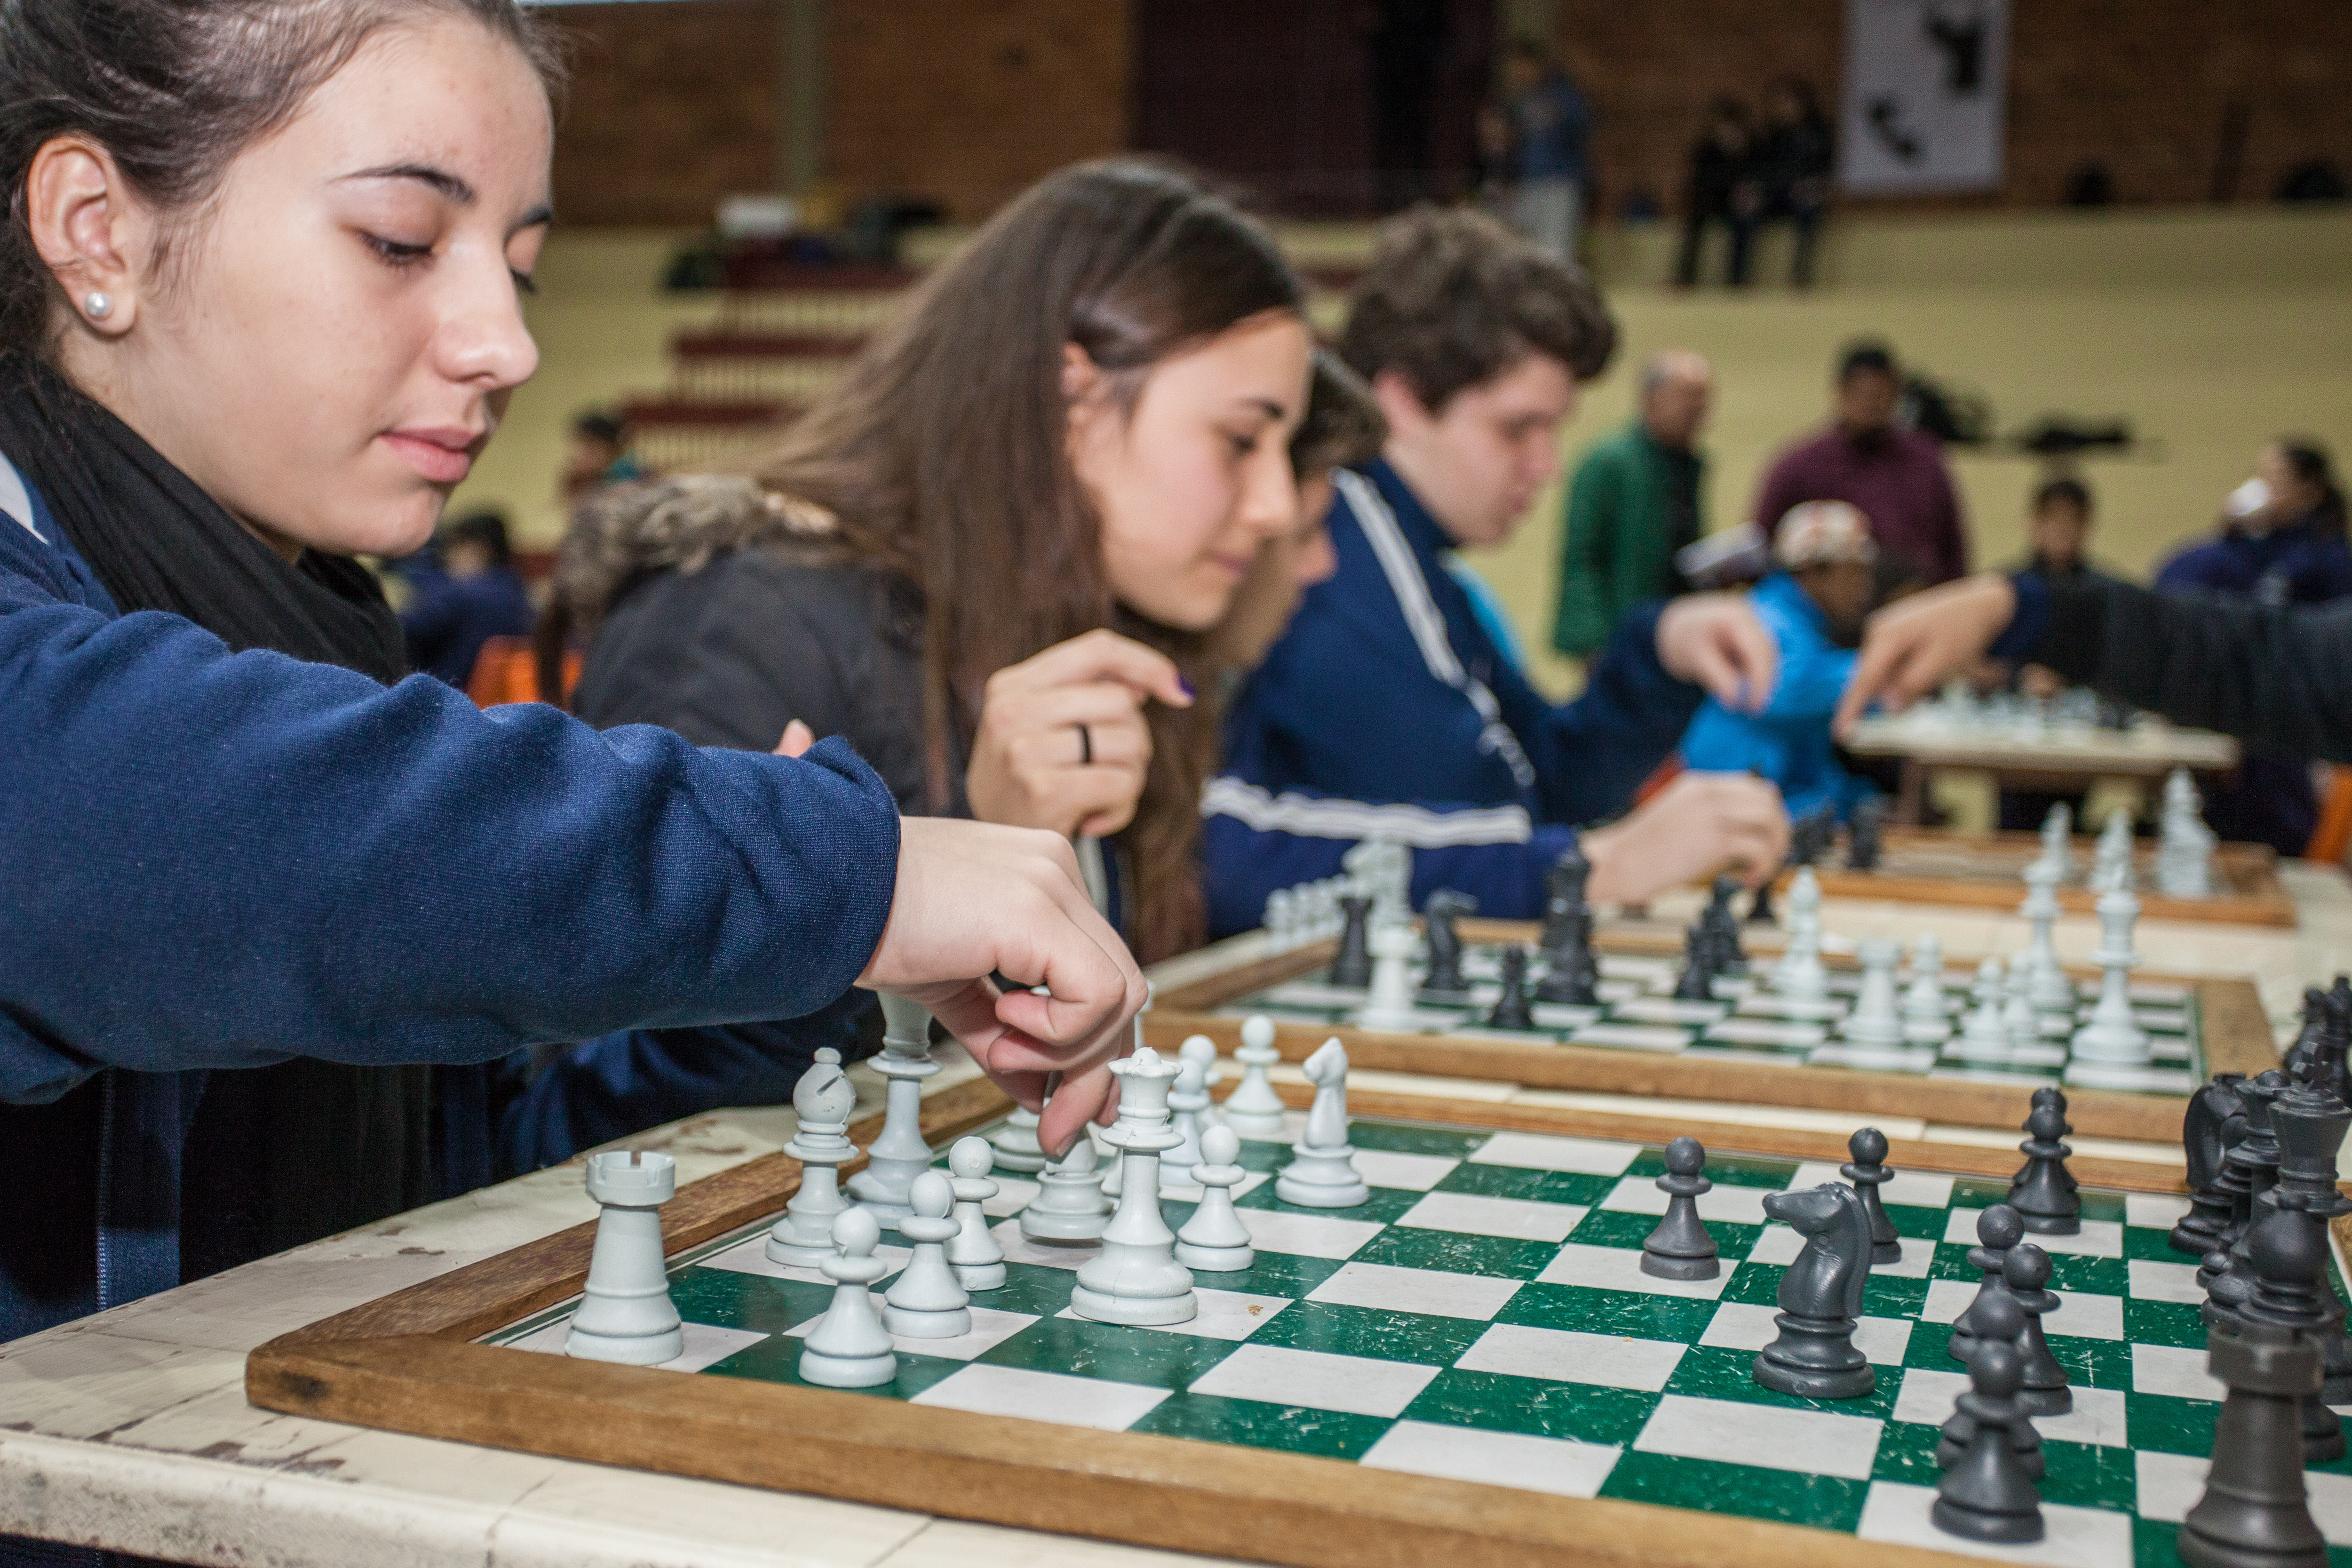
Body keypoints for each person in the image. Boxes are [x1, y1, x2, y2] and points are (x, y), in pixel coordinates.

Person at [0, 0, 1144, 1367]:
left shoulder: (313, 627)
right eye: (401, 242)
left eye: (521, 269)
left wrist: (774, 995)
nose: (506, 344)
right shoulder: (144, 712)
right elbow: (219, 836)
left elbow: (464, 1179)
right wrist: (851, 874)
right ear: (95, 230)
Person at [500, 347, 1384, 1177]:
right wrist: (948, 849)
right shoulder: (750, 611)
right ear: (1077, 408)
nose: (1308, 550)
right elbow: (602, 1091)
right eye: (1240, 447)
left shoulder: (1101, 652)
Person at [557, 159, 1310, 979]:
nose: (1276, 504)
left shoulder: (1086, 627)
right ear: (1072, 404)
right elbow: (604, 1074)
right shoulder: (734, 618)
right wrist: (969, 848)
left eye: (1286, 450)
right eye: (1241, 440)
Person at [1206, 207, 1789, 934]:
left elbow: (1544, 779)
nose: (1546, 468)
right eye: (1518, 429)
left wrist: (1658, 654)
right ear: (1403, 403)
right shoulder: (1345, 549)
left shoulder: (1421, 560)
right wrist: (1598, 866)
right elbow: (1497, 814)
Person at [2145, 441, 2352, 852]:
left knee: (2285, 836)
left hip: (2299, 737)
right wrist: (2230, 530)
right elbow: (2179, 576)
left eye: (2273, 480)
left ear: (2309, 493)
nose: (2260, 488)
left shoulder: (2326, 559)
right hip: (2254, 731)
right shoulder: (2254, 550)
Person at [1680, 502, 1880, 819]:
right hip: (1738, 786)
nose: (1865, 585)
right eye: (1855, 570)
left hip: (1772, 783)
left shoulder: (1801, 622)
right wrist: (1882, 669)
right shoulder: (1770, 619)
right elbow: (1782, 693)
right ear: (1814, 571)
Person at [1753, 339, 1969, 586]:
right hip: (1828, 617)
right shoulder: (1798, 467)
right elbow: (1762, 549)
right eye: (1861, 395)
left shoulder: (1927, 461)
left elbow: (1954, 551)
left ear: (1896, 395)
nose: (1870, 404)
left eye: (1880, 395)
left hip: (1917, 604)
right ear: (1841, 393)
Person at [1551, 350, 1714, 658]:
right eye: (1688, 398)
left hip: (1672, 628)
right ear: (1652, 399)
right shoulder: (1610, 462)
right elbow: (1582, 553)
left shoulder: (1689, 465)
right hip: (1619, 632)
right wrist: (1594, 641)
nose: (1699, 410)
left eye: (1703, 399)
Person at [396, 508, 534, 688]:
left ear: (478, 549)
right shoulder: (517, 590)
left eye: (455, 548)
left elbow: (406, 631)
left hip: (446, 691)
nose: (448, 557)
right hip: (492, 699)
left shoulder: (460, 595)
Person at [1490, 38, 1589, 263]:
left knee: (1556, 254)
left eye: (1520, 66)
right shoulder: (1520, 101)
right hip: (1527, 184)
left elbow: (1583, 127)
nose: (1516, 73)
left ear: (1535, 64)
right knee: (1525, 252)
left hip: (1560, 184)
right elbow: (1509, 146)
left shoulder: (1563, 93)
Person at [1731, 77, 1833, 289]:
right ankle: (1737, 280)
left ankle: (1800, 277)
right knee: (1745, 212)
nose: (1783, 107)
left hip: (1799, 195)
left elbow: (1824, 168)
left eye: (1787, 101)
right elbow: (1755, 167)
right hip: (1771, 193)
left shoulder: (1816, 133)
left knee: (1809, 209)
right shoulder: (1769, 134)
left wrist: (1813, 185)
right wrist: (1751, 188)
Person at [1674, 97, 1752, 288]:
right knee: (1695, 220)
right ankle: (1685, 279)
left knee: (1745, 221)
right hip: (1710, 200)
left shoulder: (1748, 150)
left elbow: (1749, 179)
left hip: (1734, 204)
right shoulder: (1706, 149)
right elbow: (1699, 179)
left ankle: (1736, 280)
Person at [562, 406, 642, 502]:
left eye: (591, 449)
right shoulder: (582, 480)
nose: (580, 456)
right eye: (577, 448)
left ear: (613, 451)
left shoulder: (623, 476)